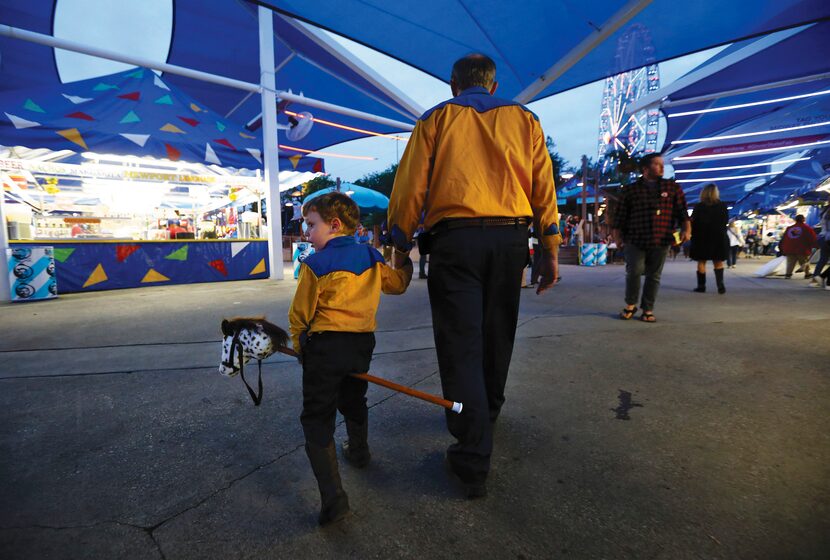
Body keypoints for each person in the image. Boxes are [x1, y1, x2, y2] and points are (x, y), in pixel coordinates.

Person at [386, 53, 561, 498]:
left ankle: (471, 457)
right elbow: (544, 187)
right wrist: (550, 249)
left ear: (453, 84)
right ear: (494, 84)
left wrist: (399, 243)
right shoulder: (526, 119)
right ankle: (487, 413)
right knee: (498, 332)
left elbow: (410, 186)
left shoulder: (436, 119)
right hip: (509, 241)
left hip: (455, 241)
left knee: (460, 341)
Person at [289, 192, 413, 526]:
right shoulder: (372, 257)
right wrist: (405, 257)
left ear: (334, 225)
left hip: (325, 348)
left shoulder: (314, 265)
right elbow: (397, 285)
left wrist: (303, 349)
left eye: (311, 225)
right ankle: (359, 451)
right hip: (361, 346)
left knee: (317, 416)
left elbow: (300, 316)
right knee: (354, 397)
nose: (306, 232)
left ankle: (334, 500)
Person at [610, 153, 690, 322]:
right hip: (635, 238)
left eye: (662, 164)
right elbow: (620, 217)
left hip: (661, 238)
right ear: (645, 168)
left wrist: (686, 229)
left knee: (654, 275)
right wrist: (617, 237)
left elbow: (682, 212)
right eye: (656, 164)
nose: (661, 167)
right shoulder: (631, 190)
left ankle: (648, 309)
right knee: (634, 272)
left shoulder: (672, 188)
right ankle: (630, 305)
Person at [690, 183, 729, 294]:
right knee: (718, 262)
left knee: (701, 261)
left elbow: (694, 223)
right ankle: (720, 286)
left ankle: (701, 286)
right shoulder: (722, 206)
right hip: (718, 237)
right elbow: (725, 221)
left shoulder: (699, 206)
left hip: (701, 238)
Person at [779, 214, 817, 279]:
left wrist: (783, 248)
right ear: (803, 219)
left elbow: (784, 238)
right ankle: (807, 274)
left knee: (790, 262)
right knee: (804, 261)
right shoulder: (807, 228)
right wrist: (816, 245)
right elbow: (812, 238)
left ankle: (788, 274)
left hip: (789, 248)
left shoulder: (789, 228)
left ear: (795, 220)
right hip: (802, 248)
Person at [808, 205, 830, 287]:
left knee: (823, 259)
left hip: (823, 237)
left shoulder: (825, 210)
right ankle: (826, 281)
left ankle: (815, 279)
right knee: (823, 259)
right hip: (827, 238)